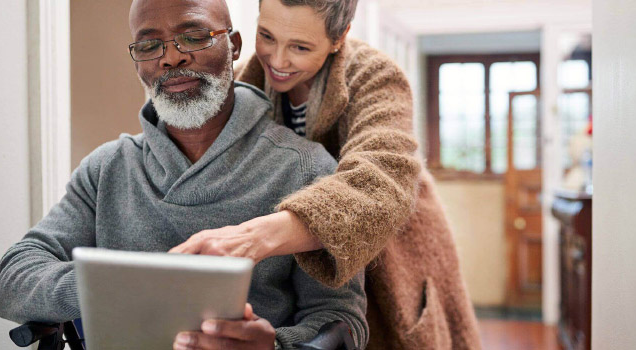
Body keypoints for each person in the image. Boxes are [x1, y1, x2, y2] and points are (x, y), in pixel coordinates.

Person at [0, 0, 368, 349]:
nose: (170, 57)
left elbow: (342, 320)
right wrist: (125, 285)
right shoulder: (107, 167)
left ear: (234, 46)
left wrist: (273, 346)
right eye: (149, 45)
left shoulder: (306, 168)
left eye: (194, 36)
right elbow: (12, 280)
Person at [170, 0, 482, 348]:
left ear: (340, 37)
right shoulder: (245, 80)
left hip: (391, 260)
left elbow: (382, 182)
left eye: (301, 47)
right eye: (267, 36)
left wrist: (255, 237)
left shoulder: (377, 77)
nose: (278, 59)